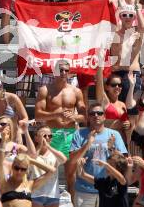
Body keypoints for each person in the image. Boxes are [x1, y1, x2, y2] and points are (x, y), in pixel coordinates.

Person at [35, 60, 86, 194]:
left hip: (70, 134)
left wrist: (74, 117)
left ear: (69, 73)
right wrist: (55, 114)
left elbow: (84, 116)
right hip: (51, 134)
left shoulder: (76, 91)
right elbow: (38, 115)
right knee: (47, 173)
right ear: (54, 72)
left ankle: (72, 204)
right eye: (60, 70)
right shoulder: (45, 90)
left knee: (71, 175)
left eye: (66, 70)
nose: (63, 73)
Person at [69, 103, 128, 207]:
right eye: (92, 113)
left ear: (104, 116)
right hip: (84, 190)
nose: (96, 115)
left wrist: (111, 148)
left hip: (108, 190)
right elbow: (73, 160)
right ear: (88, 117)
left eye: (99, 113)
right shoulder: (79, 134)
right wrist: (87, 143)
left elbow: (123, 162)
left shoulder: (114, 134)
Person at [110, 3, 144, 102]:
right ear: (120, 17)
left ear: (134, 18)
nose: (127, 17)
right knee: (116, 109)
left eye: (131, 15)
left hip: (131, 73)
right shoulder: (113, 35)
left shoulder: (137, 35)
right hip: (115, 74)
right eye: (124, 15)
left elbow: (143, 27)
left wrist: (137, 8)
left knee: (132, 109)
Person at [27, 125, 68, 207]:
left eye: (49, 136)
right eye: (43, 136)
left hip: (53, 195)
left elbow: (64, 159)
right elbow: (31, 159)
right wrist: (40, 146)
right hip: (36, 194)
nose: (47, 138)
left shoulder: (55, 153)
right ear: (36, 138)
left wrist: (48, 147)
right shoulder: (32, 153)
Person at [95, 65, 130, 141]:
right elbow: (99, 82)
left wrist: (128, 124)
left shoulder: (122, 104)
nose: (117, 87)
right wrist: (100, 66)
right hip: (108, 142)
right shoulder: (105, 102)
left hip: (122, 143)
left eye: (119, 85)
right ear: (107, 87)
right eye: (113, 85)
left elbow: (126, 126)